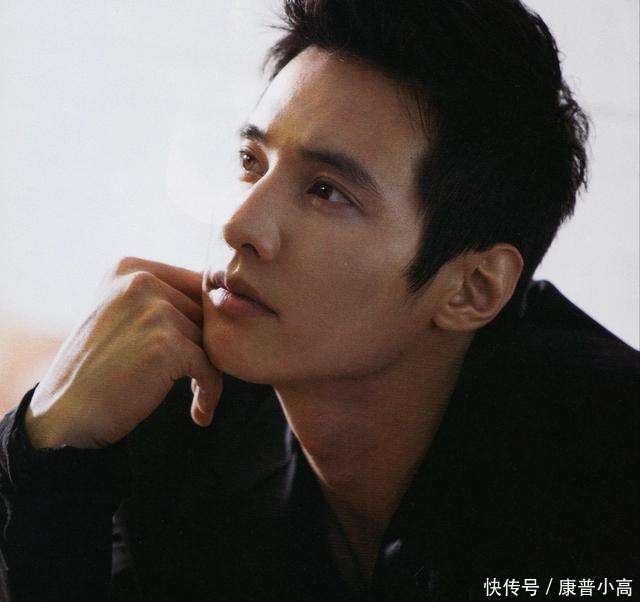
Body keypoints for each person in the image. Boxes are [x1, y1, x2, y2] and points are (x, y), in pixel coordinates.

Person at [0, 0, 637, 600]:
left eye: (327, 191)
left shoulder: (611, 478)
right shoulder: (175, 407)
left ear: (472, 288)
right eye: (252, 161)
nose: (239, 225)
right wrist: (46, 437)